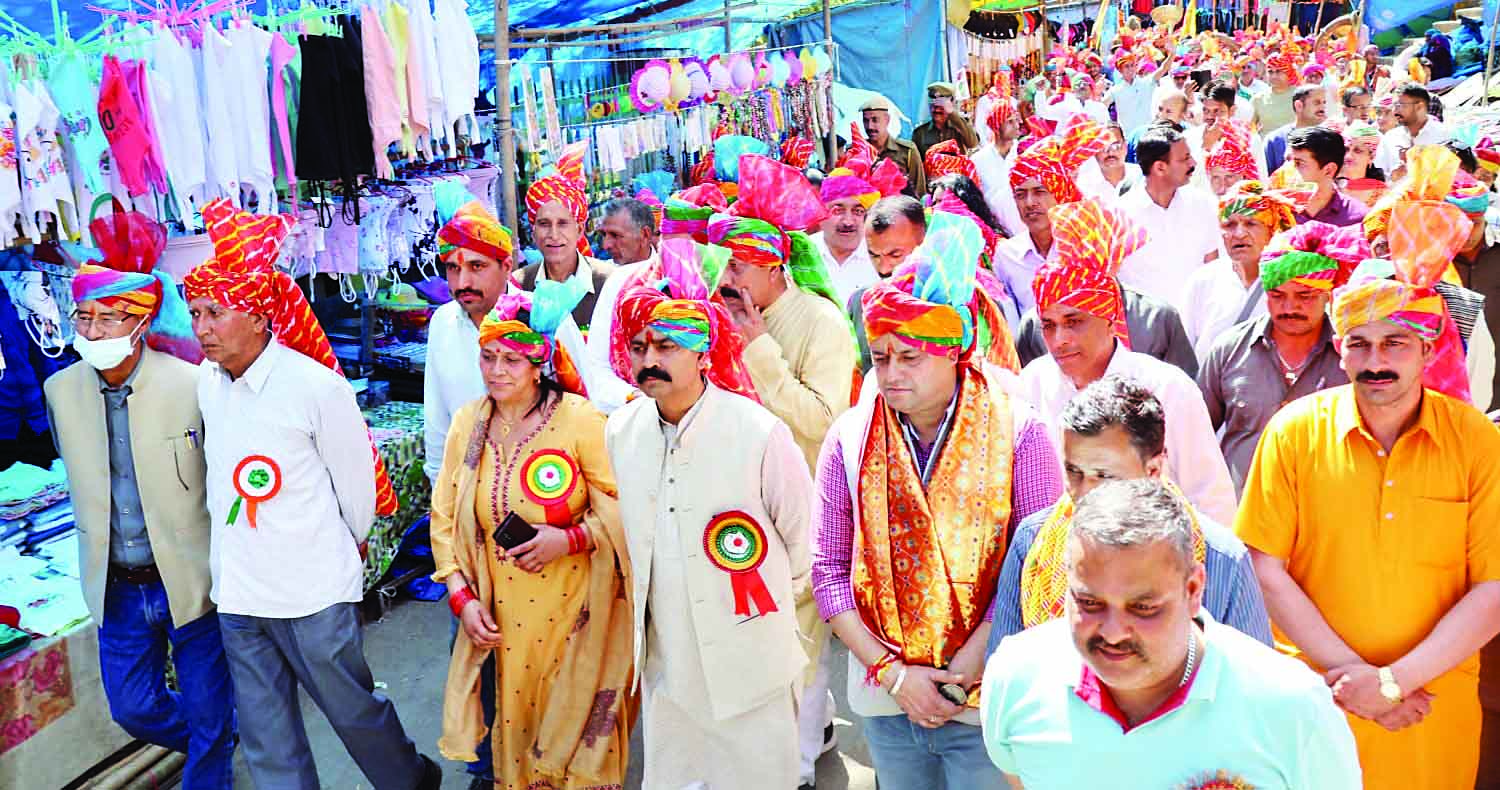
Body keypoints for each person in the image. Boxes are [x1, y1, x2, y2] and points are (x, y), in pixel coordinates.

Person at [182, 199, 441, 790]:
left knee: (353, 712)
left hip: (312, 592)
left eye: (215, 313)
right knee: (267, 734)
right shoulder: (206, 383)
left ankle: (409, 778)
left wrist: (332, 555)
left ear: (257, 316)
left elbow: (357, 494)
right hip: (241, 592)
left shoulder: (316, 388)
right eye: (195, 312)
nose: (202, 328)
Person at [1236, 239, 1500, 790]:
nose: (1377, 362)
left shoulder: (1475, 440)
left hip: (1431, 704)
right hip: (1320, 699)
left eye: (1395, 343)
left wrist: (1393, 684)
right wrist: (1356, 680)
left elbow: (1493, 588)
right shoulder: (1294, 431)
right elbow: (1264, 569)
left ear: (1428, 352)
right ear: (1341, 349)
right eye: (1361, 344)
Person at [813, 214, 1058, 790]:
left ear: (954, 354)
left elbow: (1038, 568)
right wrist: (895, 675)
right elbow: (826, 572)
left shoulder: (1020, 432)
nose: (892, 374)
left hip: (988, 694)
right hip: (886, 695)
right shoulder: (849, 437)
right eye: (880, 358)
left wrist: (965, 669)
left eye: (910, 357)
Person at [982, 479, 1362, 789]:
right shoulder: (1015, 679)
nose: (1113, 633)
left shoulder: (1293, 708)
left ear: (1194, 590)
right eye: (1090, 603)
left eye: (1143, 607)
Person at [606, 241, 812, 790]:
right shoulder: (621, 433)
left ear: (702, 355)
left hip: (750, 657)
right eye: (640, 346)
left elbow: (802, 544)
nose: (649, 360)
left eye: (667, 347)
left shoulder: (758, 432)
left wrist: (749, 610)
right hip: (668, 664)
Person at [44, 212, 234, 790]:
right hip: (117, 585)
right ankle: (217, 736)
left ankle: (212, 755)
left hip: (188, 578)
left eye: (108, 319)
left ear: (141, 322)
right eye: (85, 318)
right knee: (134, 708)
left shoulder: (191, 383)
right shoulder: (60, 391)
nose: (94, 332)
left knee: (207, 704)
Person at [429, 278, 632, 790]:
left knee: (574, 732)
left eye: (511, 361)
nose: (496, 371)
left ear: (539, 363)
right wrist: (460, 596)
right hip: (502, 621)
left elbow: (621, 507)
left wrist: (569, 540)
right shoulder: (467, 425)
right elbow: (446, 519)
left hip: (576, 613)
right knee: (516, 732)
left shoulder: (579, 420)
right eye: (488, 357)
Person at [705, 156, 856, 784]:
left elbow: (825, 419)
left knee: (802, 643)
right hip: (741, 502)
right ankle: (807, 735)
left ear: (772, 269)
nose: (727, 277)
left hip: (807, 502)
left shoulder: (820, 322)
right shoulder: (725, 312)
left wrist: (759, 348)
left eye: (738, 266)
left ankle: (792, 770)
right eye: (725, 266)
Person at [987, 377, 1272, 647]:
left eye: (1105, 477)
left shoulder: (1221, 558)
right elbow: (1006, 675)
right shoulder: (1032, 542)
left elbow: (1253, 685)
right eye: (1074, 472)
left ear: (1153, 471)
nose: (1085, 492)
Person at [1021, 198, 1237, 525]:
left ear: (1109, 318)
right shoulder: (1033, 384)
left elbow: (1210, 500)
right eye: (1048, 326)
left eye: (1074, 322)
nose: (1059, 340)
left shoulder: (1167, 389)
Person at [1198, 221, 1357, 492]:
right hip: (1240, 517)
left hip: (1327, 512)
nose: (1290, 307)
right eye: (1277, 296)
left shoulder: (1352, 355)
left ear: (1328, 296)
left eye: (1305, 295)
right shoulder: (1229, 349)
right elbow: (1196, 436)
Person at [994, 117, 1110, 316]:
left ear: (1060, 194)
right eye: (1021, 195)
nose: (1029, 203)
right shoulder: (1007, 255)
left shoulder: (1087, 247)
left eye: (1040, 192)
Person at [1181, 181, 1305, 362]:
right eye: (1229, 225)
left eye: (1251, 223)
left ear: (1270, 229)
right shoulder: (1203, 281)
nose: (1239, 233)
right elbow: (1184, 351)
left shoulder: (1295, 282)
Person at [1117, 123, 1222, 309]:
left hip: (1194, 323)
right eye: (1185, 159)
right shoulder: (1120, 215)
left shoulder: (1201, 204)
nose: (1193, 164)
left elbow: (1212, 265)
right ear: (1159, 168)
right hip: (1145, 327)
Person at [519, 145, 619, 334]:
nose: (554, 235)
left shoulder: (609, 281)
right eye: (544, 224)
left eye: (563, 223)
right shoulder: (520, 285)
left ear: (580, 229)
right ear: (533, 232)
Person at [852, 196, 927, 373]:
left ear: (923, 244)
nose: (884, 268)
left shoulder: (962, 301)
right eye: (874, 255)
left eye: (895, 255)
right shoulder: (861, 303)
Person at [811, 166, 881, 305]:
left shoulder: (881, 257)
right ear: (821, 213)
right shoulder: (802, 251)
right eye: (838, 210)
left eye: (858, 211)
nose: (848, 222)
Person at [971, 85, 1025, 237]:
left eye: (1016, 120)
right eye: (1010, 121)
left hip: (1027, 230)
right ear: (996, 126)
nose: (1017, 125)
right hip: (997, 235)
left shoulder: (1024, 154)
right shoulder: (978, 160)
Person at [1288, 126, 1367, 227]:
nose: (1290, 169)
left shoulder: (1357, 218)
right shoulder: (1278, 212)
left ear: (1329, 170)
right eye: (1289, 161)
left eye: (1299, 163)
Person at [1376, 84, 1451, 175]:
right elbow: (1380, 176)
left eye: (1399, 105)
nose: (1395, 111)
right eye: (1394, 106)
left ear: (1419, 107)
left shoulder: (1444, 135)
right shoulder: (1390, 138)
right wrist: (1392, 177)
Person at [861, 94, 925, 197]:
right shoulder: (859, 151)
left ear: (887, 120)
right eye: (866, 120)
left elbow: (919, 190)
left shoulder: (907, 150)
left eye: (875, 120)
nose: (870, 126)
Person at [1262, 84, 1328, 175]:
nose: (1323, 107)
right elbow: (1265, 178)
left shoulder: (1330, 139)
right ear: (1299, 106)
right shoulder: (1275, 140)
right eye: (1317, 103)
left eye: (1324, 102)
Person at [1075, 123, 1143, 205]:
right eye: (1103, 147)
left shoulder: (1143, 176)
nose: (1110, 152)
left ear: (1125, 146)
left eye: (1116, 146)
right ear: (1094, 151)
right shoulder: (1083, 186)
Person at [912, 81, 980, 158]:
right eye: (934, 107)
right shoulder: (920, 133)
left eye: (941, 108)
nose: (937, 110)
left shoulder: (961, 126)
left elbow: (972, 143)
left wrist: (953, 114)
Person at [1106, 50, 1158, 137]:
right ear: (1120, 69)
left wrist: (1172, 54)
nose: (1130, 69)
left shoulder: (1146, 83)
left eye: (1132, 65)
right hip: (1128, 136)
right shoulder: (1115, 90)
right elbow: (1102, 105)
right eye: (1126, 66)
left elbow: (1163, 69)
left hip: (1148, 134)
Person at [1340, 122, 1388, 207]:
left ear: (1371, 158)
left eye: (1357, 151)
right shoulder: (1332, 187)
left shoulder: (1382, 194)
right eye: (1346, 149)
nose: (1348, 156)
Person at [1251, 53, 1298, 133]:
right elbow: (1249, 126)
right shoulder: (1258, 98)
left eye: (1278, 72)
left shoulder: (1301, 96)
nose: (1274, 76)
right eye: (1270, 72)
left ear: (1289, 73)